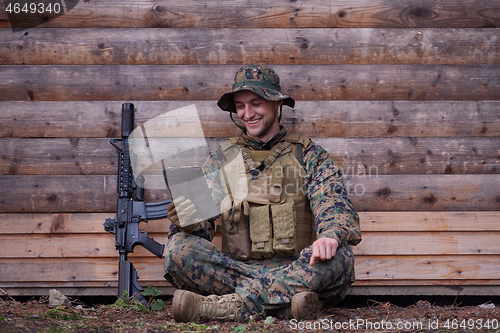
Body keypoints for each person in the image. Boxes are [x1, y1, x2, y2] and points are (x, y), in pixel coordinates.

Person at [164, 65, 361, 322]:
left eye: (256, 103)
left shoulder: (308, 154)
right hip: (237, 270)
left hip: (297, 267)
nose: (248, 113)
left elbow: (333, 203)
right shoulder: (221, 160)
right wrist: (188, 220)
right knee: (178, 248)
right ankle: (285, 305)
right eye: (240, 106)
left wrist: (331, 236)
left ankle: (229, 306)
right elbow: (201, 231)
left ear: (276, 104)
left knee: (341, 257)